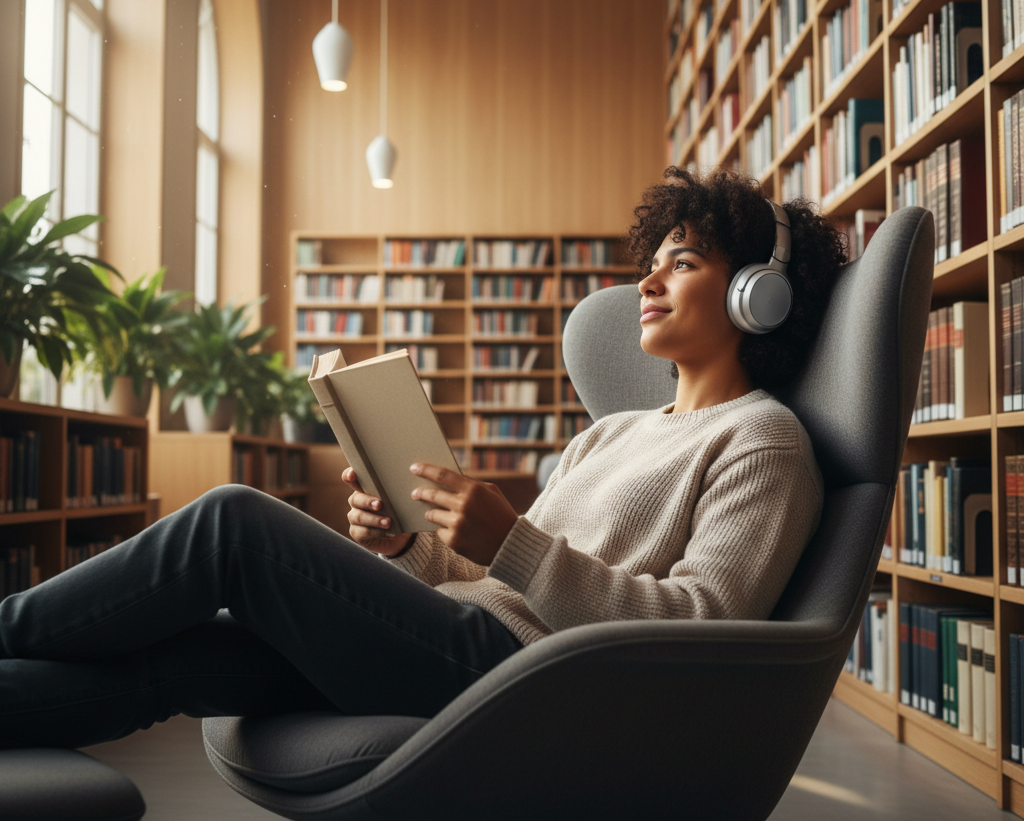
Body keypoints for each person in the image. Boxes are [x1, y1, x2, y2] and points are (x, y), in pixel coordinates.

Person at [0, 168, 846, 750]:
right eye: (652, 263)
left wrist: (511, 540)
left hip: (526, 682)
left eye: (685, 263)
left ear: (758, 300)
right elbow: (484, 582)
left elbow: (701, 630)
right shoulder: (610, 433)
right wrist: (409, 548)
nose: (650, 283)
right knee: (180, 664)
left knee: (234, 526)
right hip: (465, 640)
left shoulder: (763, 443)